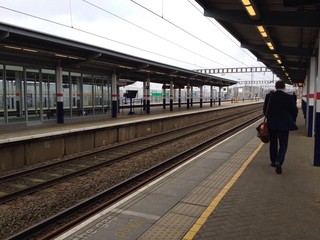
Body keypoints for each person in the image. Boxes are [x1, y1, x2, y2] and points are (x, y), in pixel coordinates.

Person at [263, 80, 298, 174]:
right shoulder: (289, 97)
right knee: (283, 144)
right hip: (284, 125)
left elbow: (264, 110)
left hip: (272, 124)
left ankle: (273, 162)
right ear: (284, 87)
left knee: (273, 143)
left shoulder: (269, 96)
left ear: (275, 87)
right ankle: (279, 161)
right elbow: (294, 111)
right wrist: (292, 120)